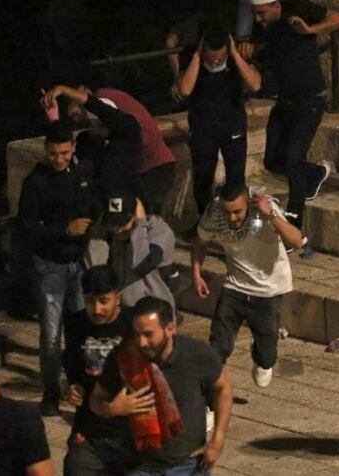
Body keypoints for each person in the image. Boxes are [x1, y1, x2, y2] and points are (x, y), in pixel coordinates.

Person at [90, 296, 232, 475]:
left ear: (169, 329)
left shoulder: (197, 355)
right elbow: (95, 400)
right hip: (140, 466)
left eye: (148, 334)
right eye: (137, 334)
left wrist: (217, 441)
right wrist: (112, 409)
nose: (141, 342)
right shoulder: (123, 358)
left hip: (188, 465)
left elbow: (223, 388)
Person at [250, 0, 339, 240]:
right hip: (285, 100)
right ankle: (314, 173)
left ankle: (295, 224)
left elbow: (338, 18)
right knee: (272, 160)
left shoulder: (298, 10)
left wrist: (310, 30)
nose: (259, 19)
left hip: (310, 100)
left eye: (263, 13)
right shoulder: (264, 28)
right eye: (255, 13)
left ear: (276, 5)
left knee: (293, 159)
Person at [17, 120, 94, 417]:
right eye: (53, 154)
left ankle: (78, 386)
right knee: (51, 335)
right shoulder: (36, 182)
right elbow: (26, 228)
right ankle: (51, 391)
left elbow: (91, 210)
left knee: (79, 332)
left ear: (72, 148)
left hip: (78, 263)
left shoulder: (82, 175)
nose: (58, 159)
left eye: (64, 153)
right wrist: (65, 230)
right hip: (49, 266)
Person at [193, 184, 300, 388]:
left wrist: (270, 215)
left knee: (267, 357)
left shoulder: (266, 209)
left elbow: (297, 241)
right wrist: (197, 274)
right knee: (218, 346)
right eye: (227, 212)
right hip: (235, 287)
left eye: (237, 212)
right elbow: (199, 243)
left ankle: (261, 355)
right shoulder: (214, 212)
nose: (232, 218)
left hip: (269, 290)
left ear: (247, 205)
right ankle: (208, 401)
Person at [43, 85, 177, 216]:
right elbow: (62, 145)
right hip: (126, 189)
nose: (77, 119)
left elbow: (102, 110)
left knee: (145, 220)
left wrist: (64, 90)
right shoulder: (94, 141)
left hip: (153, 169)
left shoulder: (125, 132)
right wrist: (54, 119)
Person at [176, 34, 261, 222]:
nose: (215, 62)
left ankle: (239, 222)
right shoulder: (192, 57)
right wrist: (197, 57)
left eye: (220, 59)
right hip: (203, 128)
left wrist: (235, 55)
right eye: (211, 58)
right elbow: (184, 89)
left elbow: (255, 84)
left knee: (236, 177)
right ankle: (205, 223)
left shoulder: (236, 56)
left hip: (232, 126)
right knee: (203, 178)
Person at [63, 266, 133, 476]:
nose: (96, 309)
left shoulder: (133, 324)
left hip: (128, 428)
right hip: (90, 425)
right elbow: (73, 364)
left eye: (104, 301)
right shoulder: (75, 323)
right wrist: (73, 387)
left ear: (117, 298)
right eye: (90, 301)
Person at [85, 193, 176, 315]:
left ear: (135, 215)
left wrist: (140, 224)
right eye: (113, 224)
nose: (117, 229)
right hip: (123, 313)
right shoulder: (112, 234)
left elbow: (140, 263)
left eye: (122, 223)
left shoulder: (160, 232)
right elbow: (95, 266)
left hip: (154, 313)